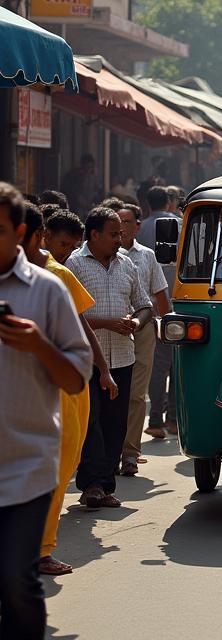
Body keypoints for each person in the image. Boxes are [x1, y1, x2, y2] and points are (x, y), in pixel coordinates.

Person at [0, 183, 91, 640]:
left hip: (27, 466)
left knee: (18, 581)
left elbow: (76, 376)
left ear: (19, 233)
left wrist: (38, 343)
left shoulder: (49, 290)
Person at [21, 205, 115, 576]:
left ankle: (41, 550)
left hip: (59, 389)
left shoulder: (56, 276)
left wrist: (103, 369)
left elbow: (79, 327)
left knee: (57, 468)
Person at [67, 207, 152, 508]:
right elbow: (71, 315)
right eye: (114, 234)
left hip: (123, 356)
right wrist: (106, 322)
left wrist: (136, 323)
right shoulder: (74, 265)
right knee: (91, 423)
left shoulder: (127, 264)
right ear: (94, 235)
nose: (120, 238)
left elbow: (144, 305)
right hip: (88, 358)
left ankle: (105, 485)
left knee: (116, 423)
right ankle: (90, 484)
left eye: (121, 233)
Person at [117, 205, 169, 476]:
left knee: (137, 395)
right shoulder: (85, 258)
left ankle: (129, 453)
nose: (122, 228)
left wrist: (169, 327)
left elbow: (159, 295)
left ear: (137, 226)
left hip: (142, 331)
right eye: (117, 223)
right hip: (107, 333)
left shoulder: (147, 256)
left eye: (126, 222)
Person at [137, 185, 180, 439]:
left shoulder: (139, 229)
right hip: (177, 303)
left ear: (147, 203)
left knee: (158, 365)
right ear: (167, 202)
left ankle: (156, 419)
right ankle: (172, 420)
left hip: (147, 306)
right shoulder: (181, 223)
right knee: (174, 365)